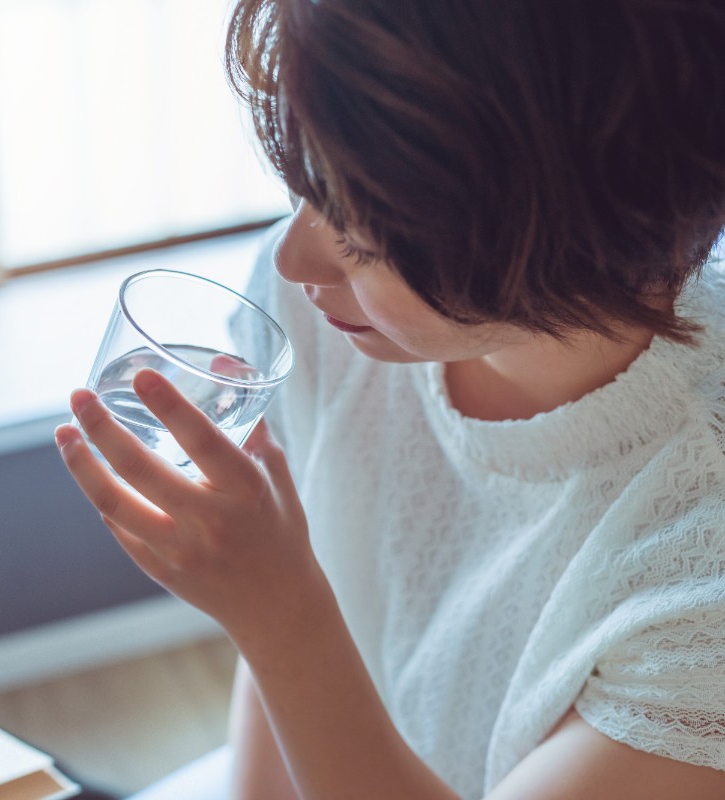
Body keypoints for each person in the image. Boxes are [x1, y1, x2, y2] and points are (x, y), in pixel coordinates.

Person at [55, 0, 725, 797]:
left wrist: (280, 614)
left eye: (363, 238)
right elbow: (281, 687)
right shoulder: (325, 316)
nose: (297, 256)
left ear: (566, 234)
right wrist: (273, 607)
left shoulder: (698, 558)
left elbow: (292, 634)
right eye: (310, 187)